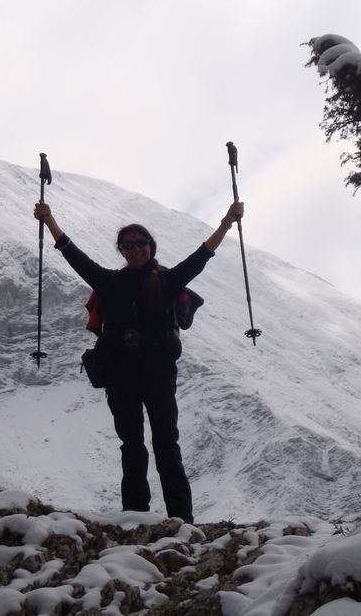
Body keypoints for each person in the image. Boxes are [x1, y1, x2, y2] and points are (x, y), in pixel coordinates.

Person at [32, 198, 245, 523]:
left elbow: (202, 256)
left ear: (151, 246)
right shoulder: (110, 282)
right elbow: (71, 253)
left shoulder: (167, 280)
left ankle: (179, 518)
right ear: (121, 251)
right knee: (134, 444)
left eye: (140, 243)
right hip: (123, 374)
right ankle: (138, 515)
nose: (135, 249)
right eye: (128, 245)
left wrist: (228, 222)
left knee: (162, 443)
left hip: (155, 372)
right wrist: (49, 220)